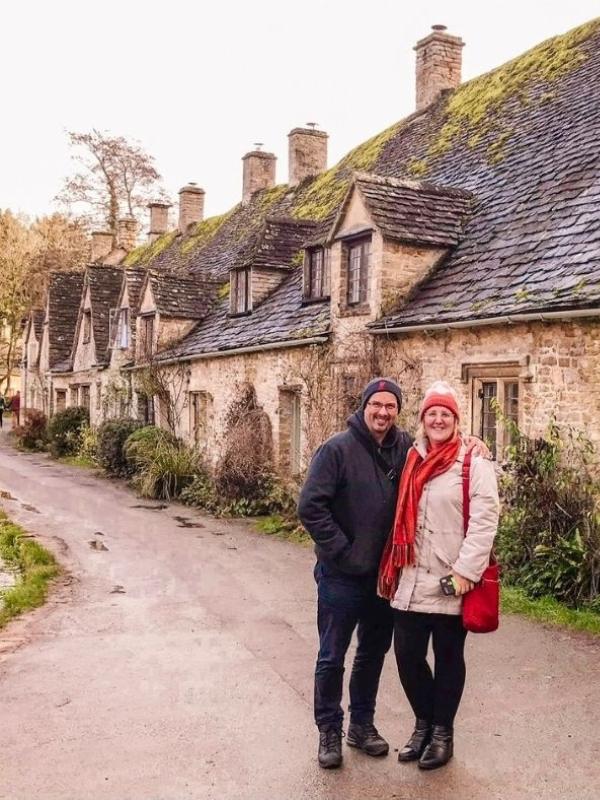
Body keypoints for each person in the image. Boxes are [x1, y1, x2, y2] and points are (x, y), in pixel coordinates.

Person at [378, 381, 499, 771]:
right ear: (422, 419)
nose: (438, 418)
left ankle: (442, 733)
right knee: (408, 657)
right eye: (432, 412)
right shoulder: (410, 457)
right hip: (410, 579)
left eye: (445, 413)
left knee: (448, 659)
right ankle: (423, 723)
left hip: (451, 581)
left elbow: (484, 523)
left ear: (456, 420)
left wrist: (464, 574)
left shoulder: (473, 464)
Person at [298, 378, 412, 769]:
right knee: (332, 655)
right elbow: (311, 507)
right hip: (341, 576)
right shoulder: (336, 450)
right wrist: (343, 552)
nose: (383, 412)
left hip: (383, 578)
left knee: (372, 653)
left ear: (398, 411)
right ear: (364, 406)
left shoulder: (406, 448)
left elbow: (443, 453)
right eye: (376, 405)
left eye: (390, 406)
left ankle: (361, 726)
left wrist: (475, 445)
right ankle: (328, 729)